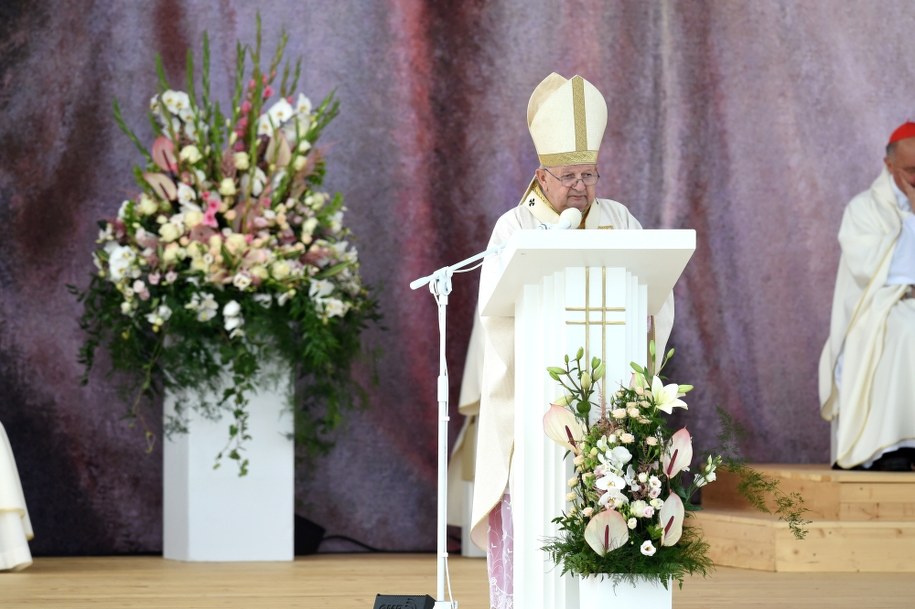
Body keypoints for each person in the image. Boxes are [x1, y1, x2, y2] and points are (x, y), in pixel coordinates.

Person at [465, 73, 675, 608]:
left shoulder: (620, 221)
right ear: (541, 175)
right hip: (540, 401)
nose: (580, 187)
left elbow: (656, 293)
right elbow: (497, 312)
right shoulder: (515, 229)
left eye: (589, 174)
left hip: (610, 401)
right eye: (568, 176)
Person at [819, 121, 915, 472]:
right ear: (889, 166)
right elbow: (871, 270)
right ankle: (890, 447)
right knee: (904, 330)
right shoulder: (864, 209)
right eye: (911, 170)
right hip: (880, 305)